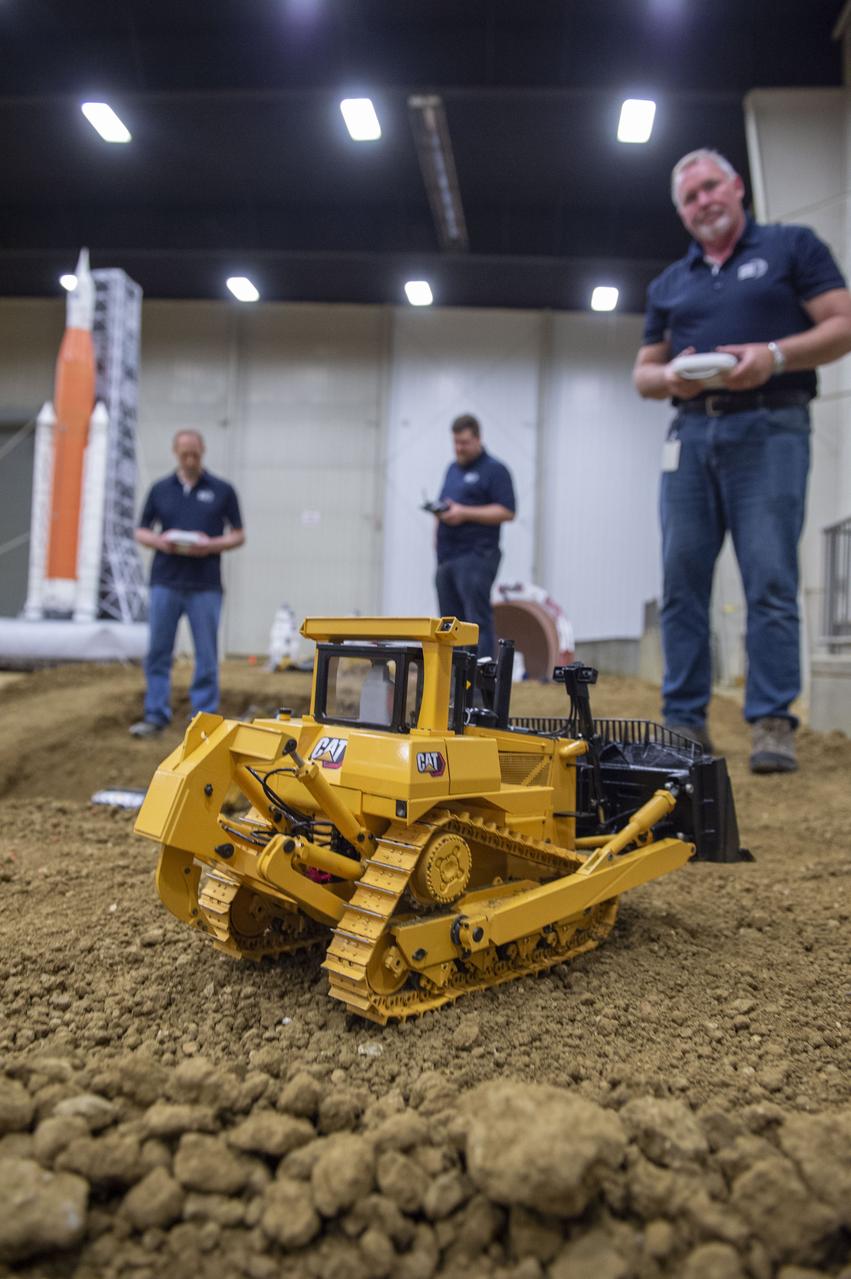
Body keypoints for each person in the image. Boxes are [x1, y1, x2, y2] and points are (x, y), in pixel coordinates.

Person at [633, 148, 851, 773]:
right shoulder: (670, 283)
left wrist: (775, 355)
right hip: (691, 435)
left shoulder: (792, 247)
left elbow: (840, 324)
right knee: (681, 580)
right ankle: (684, 720)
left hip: (772, 427)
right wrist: (673, 376)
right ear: (681, 214)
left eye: (709, 188)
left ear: (736, 187)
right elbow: (642, 373)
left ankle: (773, 722)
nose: (703, 203)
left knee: (770, 576)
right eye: (690, 198)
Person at [130, 429, 245, 737]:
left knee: (206, 655)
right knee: (158, 652)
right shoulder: (160, 490)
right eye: (185, 454)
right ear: (175, 452)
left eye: (195, 454)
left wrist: (211, 545)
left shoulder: (222, 491)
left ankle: (203, 721)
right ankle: (155, 715)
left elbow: (238, 534)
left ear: (202, 451)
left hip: (205, 586)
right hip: (165, 582)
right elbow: (141, 531)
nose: (190, 459)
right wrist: (161, 541)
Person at [434, 414, 515, 660]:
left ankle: (481, 687)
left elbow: (507, 511)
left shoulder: (495, 470)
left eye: (464, 443)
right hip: (448, 557)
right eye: (455, 442)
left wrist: (464, 513)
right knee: (449, 625)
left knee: (475, 621)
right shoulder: (452, 469)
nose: (459, 448)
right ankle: (454, 687)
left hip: (477, 555)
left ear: (478, 439)